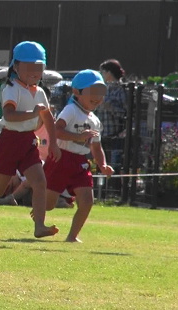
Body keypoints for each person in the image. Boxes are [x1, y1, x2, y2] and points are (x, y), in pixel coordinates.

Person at [0, 41, 61, 238]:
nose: (35, 72)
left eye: (39, 68)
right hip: (9, 140)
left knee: (40, 182)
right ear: (16, 67)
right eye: (29, 67)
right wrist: (33, 113)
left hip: (28, 141)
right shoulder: (11, 88)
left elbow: (47, 117)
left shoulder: (39, 91)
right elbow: (9, 115)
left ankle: (39, 225)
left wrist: (54, 143)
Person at [44, 70, 115, 242]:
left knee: (87, 202)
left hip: (81, 163)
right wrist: (78, 137)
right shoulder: (71, 110)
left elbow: (96, 146)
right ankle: (39, 212)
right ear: (77, 92)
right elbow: (56, 130)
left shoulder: (95, 120)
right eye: (93, 92)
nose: (97, 98)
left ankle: (72, 237)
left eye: (100, 93)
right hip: (61, 159)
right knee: (48, 204)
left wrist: (103, 165)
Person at [98, 59, 127, 167]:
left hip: (115, 134)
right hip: (101, 133)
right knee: (101, 164)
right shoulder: (103, 88)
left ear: (109, 73)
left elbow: (126, 113)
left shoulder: (120, 89)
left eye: (103, 72)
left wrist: (111, 108)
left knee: (114, 165)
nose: (101, 75)